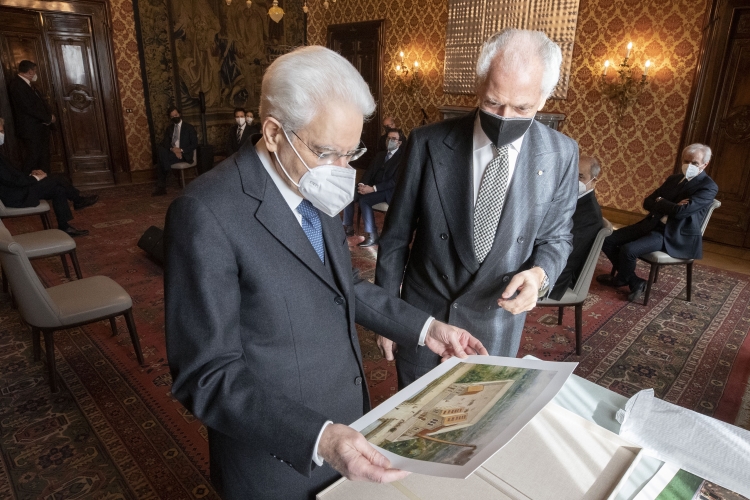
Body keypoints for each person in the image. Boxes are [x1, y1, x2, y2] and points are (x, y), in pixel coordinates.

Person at [163, 46, 487, 500]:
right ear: (274, 132)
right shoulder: (205, 213)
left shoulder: (311, 181)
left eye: (351, 153)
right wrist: (318, 438)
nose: (342, 171)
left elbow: (342, 285)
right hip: (277, 453)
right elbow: (206, 374)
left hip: (348, 423)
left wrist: (425, 328)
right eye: (328, 152)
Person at [375, 28, 579, 388]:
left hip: (496, 322)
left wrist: (539, 276)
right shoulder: (427, 142)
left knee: (480, 417)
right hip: (426, 317)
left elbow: (557, 237)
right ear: (479, 84)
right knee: (414, 417)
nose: (505, 116)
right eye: (492, 102)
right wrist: (388, 316)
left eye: (522, 107)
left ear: (543, 97)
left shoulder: (561, 153)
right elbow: (395, 237)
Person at [597, 144, 719, 302]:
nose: (689, 165)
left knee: (628, 250)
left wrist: (661, 201)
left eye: (694, 163)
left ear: (705, 164)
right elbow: (647, 202)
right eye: (686, 161)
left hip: (673, 234)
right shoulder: (674, 179)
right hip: (652, 224)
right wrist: (671, 205)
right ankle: (634, 281)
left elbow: (681, 212)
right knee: (606, 239)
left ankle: (623, 278)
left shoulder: (708, 187)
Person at [0, 118, 97, 236]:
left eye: (2, 131)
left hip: (19, 190)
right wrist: (35, 178)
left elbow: (11, 175)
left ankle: (65, 226)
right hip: (16, 196)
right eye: (0, 131)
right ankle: (78, 200)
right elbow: (12, 181)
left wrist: (30, 175)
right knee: (58, 179)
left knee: (58, 189)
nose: (2, 134)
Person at [548, 156, 604, 300]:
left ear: (594, 181)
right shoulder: (571, 199)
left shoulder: (590, 215)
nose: (573, 181)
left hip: (556, 275)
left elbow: (568, 253)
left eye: (580, 177)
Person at [342, 128, 405, 247]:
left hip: (388, 191)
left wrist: (373, 189)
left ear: (399, 142)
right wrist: (362, 185)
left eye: (393, 139)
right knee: (349, 193)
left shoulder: (403, 158)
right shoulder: (380, 155)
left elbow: (394, 181)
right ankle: (348, 228)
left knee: (364, 200)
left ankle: (373, 235)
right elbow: (369, 172)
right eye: (388, 138)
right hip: (371, 186)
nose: (390, 141)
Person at [8, 60, 55, 174]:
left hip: (39, 127)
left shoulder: (25, 84)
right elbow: (28, 108)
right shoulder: (17, 85)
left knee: (43, 155)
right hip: (31, 129)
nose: (35, 73)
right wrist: (48, 118)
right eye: (34, 71)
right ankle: (25, 181)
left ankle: (44, 179)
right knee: (33, 157)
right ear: (30, 71)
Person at [152, 106, 198, 196]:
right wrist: (173, 149)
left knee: (161, 159)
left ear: (179, 114)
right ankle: (168, 170)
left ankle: (161, 186)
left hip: (183, 154)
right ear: (170, 117)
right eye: (172, 116)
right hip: (173, 153)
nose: (174, 117)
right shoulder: (169, 128)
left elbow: (194, 144)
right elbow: (165, 143)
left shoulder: (189, 127)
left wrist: (180, 150)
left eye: (176, 115)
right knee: (160, 149)